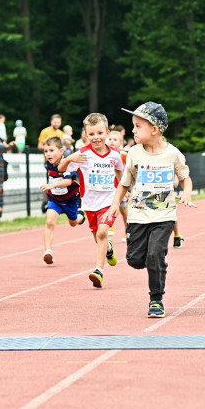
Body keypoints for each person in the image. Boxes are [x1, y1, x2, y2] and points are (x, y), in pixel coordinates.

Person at [107, 102, 193, 318]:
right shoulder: (134, 153)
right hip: (137, 215)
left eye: (138, 126)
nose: (133, 131)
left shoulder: (172, 154)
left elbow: (185, 178)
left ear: (154, 129)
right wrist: (115, 204)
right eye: (133, 126)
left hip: (164, 216)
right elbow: (125, 183)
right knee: (135, 260)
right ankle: (154, 262)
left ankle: (156, 299)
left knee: (155, 255)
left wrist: (187, 193)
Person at [57, 113, 125, 288]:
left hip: (109, 201)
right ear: (86, 135)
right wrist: (70, 158)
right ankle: (108, 249)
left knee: (102, 232)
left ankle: (98, 271)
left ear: (107, 133)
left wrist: (125, 190)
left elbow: (120, 172)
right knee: (97, 235)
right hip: (89, 203)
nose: (96, 138)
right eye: (92, 134)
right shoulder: (83, 154)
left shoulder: (115, 155)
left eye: (100, 133)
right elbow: (60, 168)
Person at [40, 135, 85, 264]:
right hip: (55, 200)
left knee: (74, 223)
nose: (48, 154)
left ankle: (81, 215)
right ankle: (48, 251)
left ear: (61, 151)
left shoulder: (66, 163)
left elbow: (68, 181)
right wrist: (51, 188)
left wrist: (52, 185)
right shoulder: (49, 164)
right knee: (49, 222)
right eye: (45, 151)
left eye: (51, 150)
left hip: (70, 200)